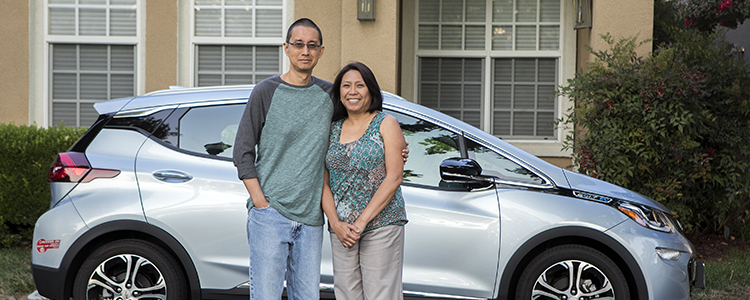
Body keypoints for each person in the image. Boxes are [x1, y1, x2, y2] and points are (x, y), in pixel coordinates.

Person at [233, 19, 408, 299]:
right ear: (286, 48)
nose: (305, 51)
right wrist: (260, 203)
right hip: (271, 214)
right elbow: (242, 150)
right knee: (266, 295)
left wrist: (396, 147)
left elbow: (360, 130)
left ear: (321, 51)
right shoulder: (265, 92)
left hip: (313, 219)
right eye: (298, 44)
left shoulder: (331, 94)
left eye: (312, 46)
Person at [322, 62, 409, 300]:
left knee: (382, 294)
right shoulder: (330, 129)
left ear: (371, 90)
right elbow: (322, 182)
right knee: (346, 294)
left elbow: (394, 177)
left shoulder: (386, 123)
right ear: (339, 93)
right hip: (342, 229)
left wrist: (361, 222)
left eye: (360, 85)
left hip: (381, 223)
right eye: (346, 86)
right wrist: (336, 223)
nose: (353, 91)